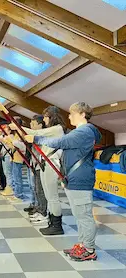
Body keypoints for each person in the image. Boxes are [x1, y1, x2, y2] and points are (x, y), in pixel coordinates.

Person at [26, 102, 100, 261]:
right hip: (74, 178)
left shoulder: (84, 132)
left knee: (84, 216)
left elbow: (59, 142)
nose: (69, 116)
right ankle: (83, 244)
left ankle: (89, 249)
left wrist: (36, 138)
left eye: (72, 113)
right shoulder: (80, 131)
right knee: (79, 215)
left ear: (82, 114)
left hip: (80, 179)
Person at [11, 106, 65, 235]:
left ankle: (57, 225)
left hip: (51, 163)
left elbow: (37, 133)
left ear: (52, 117)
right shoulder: (52, 129)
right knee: (47, 194)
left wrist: (19, 128)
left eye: (46, 116)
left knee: (52, 196)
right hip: (45, 162)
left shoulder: (57, 129)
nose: (45, 119)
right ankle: (52, 221)